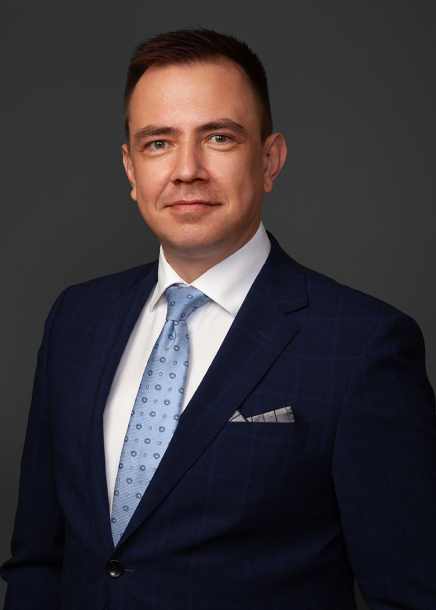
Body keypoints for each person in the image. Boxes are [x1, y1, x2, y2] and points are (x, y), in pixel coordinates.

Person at [1, 28, 436, 610]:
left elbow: (410, 592)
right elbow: (38, 560)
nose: (187, 170)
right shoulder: (76, 319)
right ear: (130, 169)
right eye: (158, 142)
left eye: (219, 137)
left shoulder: (363, 345)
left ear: (269, 160)